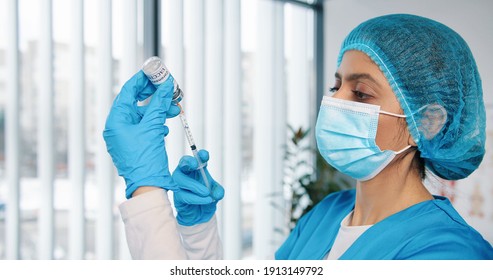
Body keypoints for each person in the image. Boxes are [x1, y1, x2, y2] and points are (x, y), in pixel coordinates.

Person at [103, 14, 493, 259]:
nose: (335, 101)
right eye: (336, 85)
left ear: (428, 123)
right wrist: (198, 233)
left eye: (360, 94)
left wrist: (147, 193)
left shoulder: (449, 254)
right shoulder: (327, 215)